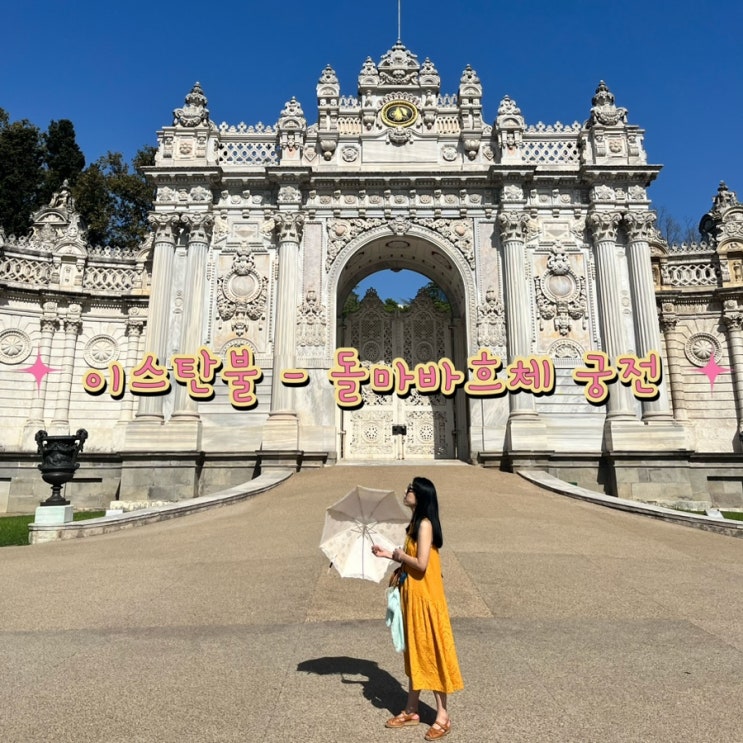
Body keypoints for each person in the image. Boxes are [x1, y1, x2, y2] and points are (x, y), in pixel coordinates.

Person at [371, 476, 463, 741]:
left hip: (426, 599)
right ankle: (412, 710)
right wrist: (388, 554)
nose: (406, 491)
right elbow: (413, 560)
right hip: (414, 597)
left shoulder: (424, 524)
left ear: (421, 495)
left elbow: (421, 564)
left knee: (432, 652)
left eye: (410, 489)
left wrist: (399, 555)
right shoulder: (414, 523)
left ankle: (442, 716)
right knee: (415, 651)